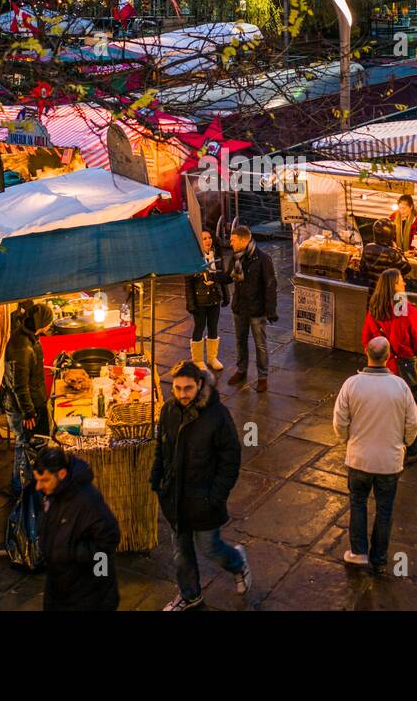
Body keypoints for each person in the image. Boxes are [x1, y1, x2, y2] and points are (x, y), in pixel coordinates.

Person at [151, 361, 248, 611]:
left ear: (200, 385)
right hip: (174, 495)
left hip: (203, 499)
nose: (182, 394)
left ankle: (237, 562)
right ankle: (190, 595)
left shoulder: (217, 416)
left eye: (188, 388)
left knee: (210, 548)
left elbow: (231, 458)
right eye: (178, 388)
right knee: (181, 552)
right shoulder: (169, 410)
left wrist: (215, 496)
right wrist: (157, 477)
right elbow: (161, 446)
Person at [333, 336, 417, 575]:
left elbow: (339, 422)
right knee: (385, 510)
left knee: (358, 503)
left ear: (366, 353)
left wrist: (347, 441)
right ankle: (379, 559)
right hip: (389, 463)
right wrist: (403, 444)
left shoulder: (352, 384)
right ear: (389, 355)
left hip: (359, 459)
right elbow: (413, 424)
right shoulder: (400, 387)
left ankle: (358, 552)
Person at [33, 445, 121, 611]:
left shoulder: (87, 501)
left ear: (62, 474)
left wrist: (74, 553)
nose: (38, 486)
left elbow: (109, 539)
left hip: (86, 598)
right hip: (59, 590)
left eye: (44, 480)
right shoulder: (53, 494)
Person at [361, 268, 417, 463]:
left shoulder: (374, 309)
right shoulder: (408, 311)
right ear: (394, 286)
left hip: (382, 368)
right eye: (401, 281)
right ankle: (412, 450)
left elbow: (366, 339)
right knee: (411, 410)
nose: (405, 284)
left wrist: (378, 358)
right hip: (405, 368)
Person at [0, 302, 55, 491]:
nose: (49, 326)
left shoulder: (29, 337)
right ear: (41, 323)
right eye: (48, 322)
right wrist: (29, 412)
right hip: (20, 408)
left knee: (27, 445)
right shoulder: (21, 347)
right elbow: (19, 385)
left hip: (28, 404)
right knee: (25, 445)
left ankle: (25, 485)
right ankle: (21, 489)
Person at [219, 225, 277, 392]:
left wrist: (271, 309)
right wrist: (212, 275)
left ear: (244, 240)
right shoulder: (236, 258)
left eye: (233, 240)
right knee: (240, 342)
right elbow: (228, 278)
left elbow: (270, 285)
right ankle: (241, 370)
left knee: (260, 345)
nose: (230, 243)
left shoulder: (263, 259)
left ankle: (262, 377)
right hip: (239, 308)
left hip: (257, 310)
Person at [184, 229, 228, 373]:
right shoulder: (192, 258)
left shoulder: (216, 256)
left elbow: (222, 277)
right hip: (199, 300)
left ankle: (212, 358)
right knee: (199, 326)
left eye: (209, 237)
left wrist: (226, 295)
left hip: (214, 297)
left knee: (213, 326)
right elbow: (188, 283)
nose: (208, 241)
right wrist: (190, 303)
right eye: (204, 239)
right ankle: (197, 360)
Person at [359, 218, 410, 285]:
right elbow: (407, 268)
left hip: (372, 290)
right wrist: (397, 249)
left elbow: (362, 269)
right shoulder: (392, 253)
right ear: (391, 235)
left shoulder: (368, 248)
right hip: (388, 290)